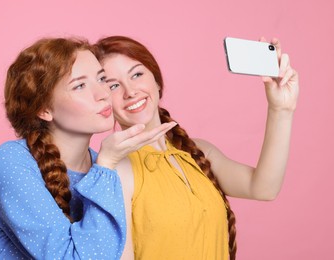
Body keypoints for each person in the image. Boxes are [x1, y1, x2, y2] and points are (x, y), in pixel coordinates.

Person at [94, 35, 299, 260]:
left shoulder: (198, 151)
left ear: (157, 81)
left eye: (137, 74)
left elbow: (263, 188)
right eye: (113, 85)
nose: (130, 91)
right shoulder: (116, 170)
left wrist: (281, 109)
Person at [0, 37, 176, 259]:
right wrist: (107, 165)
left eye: (102, 79)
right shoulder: (11, 163)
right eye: (80, 86)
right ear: (44, 109)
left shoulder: (104, 170)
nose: (103, 94)